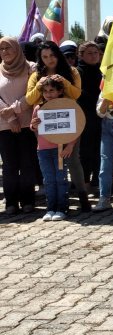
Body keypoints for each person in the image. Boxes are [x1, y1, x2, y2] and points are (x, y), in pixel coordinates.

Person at [26, 41, 91, 213]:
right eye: (45, 57)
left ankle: (83, 197)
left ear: (58, 54)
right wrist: (40, 84)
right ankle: (58, 202)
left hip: (68, 121)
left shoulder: (72, 71)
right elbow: (29, 100)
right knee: (50, 162)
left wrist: (64, 81)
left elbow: (76, 94)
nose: (49, 60)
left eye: (52, 55)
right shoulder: (35, 75)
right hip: (45, 124)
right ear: (40, 59)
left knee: (73, 159)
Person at [30, 75, 79, 221]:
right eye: (45, 91)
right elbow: (33, 126)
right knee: (48, 180)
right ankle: (50, 208)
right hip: (43, 150)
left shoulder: (66, 106)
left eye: (51, 90)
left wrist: (70, 145)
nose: (48, 94)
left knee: (60, 179)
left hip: (59, 149)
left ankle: (62, 208)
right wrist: (34, 124)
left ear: (59, 91)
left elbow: (75, 128)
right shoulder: (39, 107)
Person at [0, 37, 37, 214]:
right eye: (1, 49)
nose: (5, 51)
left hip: (27, 123)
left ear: (17, 49)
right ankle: (11, 202)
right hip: (4, 124)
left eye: (8, 48)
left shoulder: (31, 68)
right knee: (9, 165)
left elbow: (33, 94)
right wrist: (11, 119)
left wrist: (15, 109)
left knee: (27, 163)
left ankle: (28, 200)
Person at [76, 42, 103, 191]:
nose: (93, 56)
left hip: (101, 115)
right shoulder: (77, 72)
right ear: (81, 55)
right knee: (85, 150)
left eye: (96, 53)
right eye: (90, 53)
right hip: (84, 115)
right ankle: (84, 181)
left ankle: (97, 180)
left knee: (99, 149)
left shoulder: (102, 71)